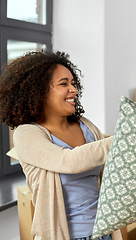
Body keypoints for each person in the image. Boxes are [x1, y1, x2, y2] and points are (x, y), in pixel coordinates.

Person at [0, 50, 122, 240]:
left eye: (73, 83)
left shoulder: (86, 126)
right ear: (38, 91)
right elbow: (69, 161)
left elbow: (112, 175)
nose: (73, 89)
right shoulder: (27, 134)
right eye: (63, 84)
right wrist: (126, 137)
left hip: (104, 232)